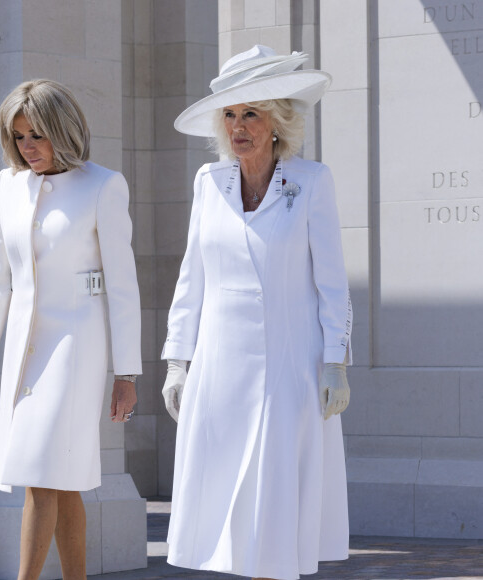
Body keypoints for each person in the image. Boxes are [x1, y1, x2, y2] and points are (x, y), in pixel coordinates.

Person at [161, 45, 352, 580]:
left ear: (278, 121)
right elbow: (191, 277)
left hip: (289, 371)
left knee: (273, 509)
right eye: (229, 114)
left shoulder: (311, 180)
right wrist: (178, 360)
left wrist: (335, 360)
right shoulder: (208, 183)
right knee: (222, 506)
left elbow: (332, 283)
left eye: (251, 112)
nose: (238, 126)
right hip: (221, 370)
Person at [0, 79, 141, 580]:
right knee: (61, 479)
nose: (27, 147)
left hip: (76, 349)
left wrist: (128, 373)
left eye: (38, 134)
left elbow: (122, 285)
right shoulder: (6, 186)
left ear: (65, 129)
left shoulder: (104, 185)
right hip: (23, 350)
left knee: (40, 471)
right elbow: (0, 281)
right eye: (18, 137)